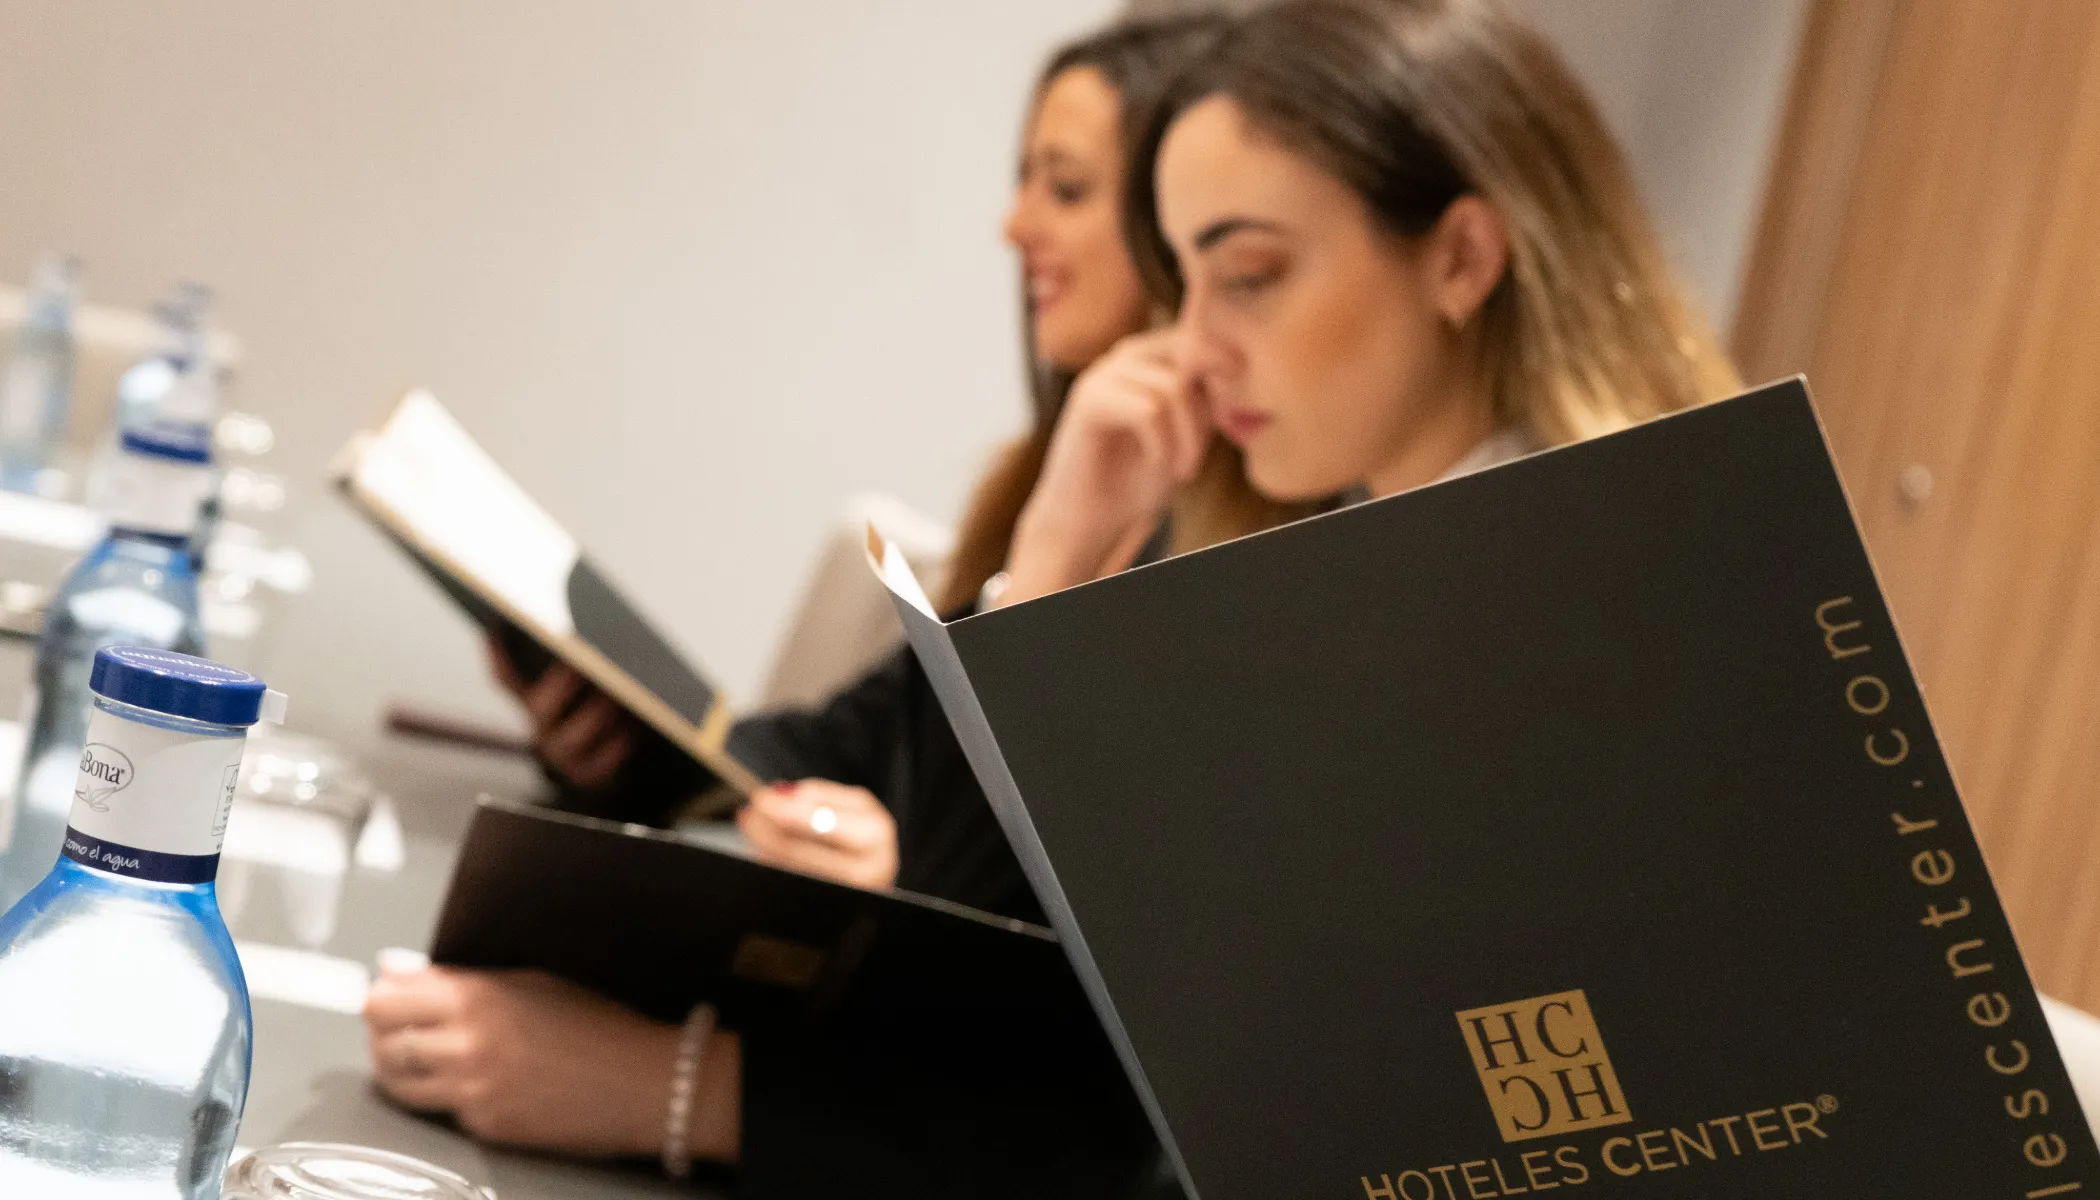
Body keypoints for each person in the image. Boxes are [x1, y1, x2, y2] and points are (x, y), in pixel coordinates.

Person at [365, 15, 1253, 1195]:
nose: (1014, 225)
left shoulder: (1224, 586)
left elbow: (1079, 1098)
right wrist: (623, 747)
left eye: (1067, 186)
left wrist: (673, 1081)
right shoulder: (1059, 492)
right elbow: (822, 752)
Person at [995, 0, 1739, 607]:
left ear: (1462, 259)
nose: (1192, 347)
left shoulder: (1614, 599)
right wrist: (1055, 548)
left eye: (1250, 274)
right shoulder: (1313, 564)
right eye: (1182, 279)